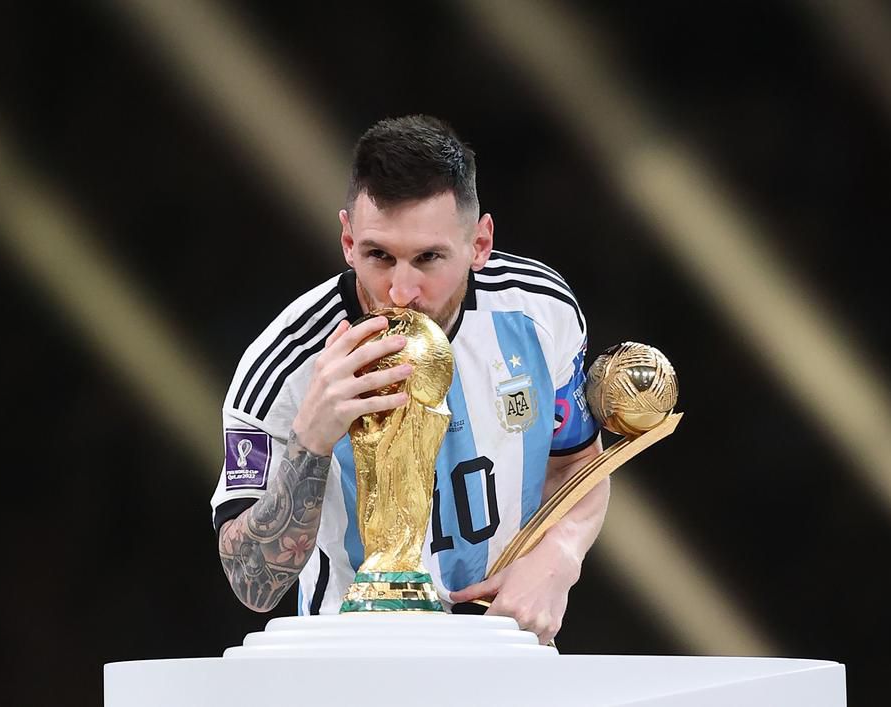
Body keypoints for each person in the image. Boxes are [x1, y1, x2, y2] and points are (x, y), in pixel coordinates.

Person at [211, 115, 608, 645]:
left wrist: (561, 554)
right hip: (349, 666)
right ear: (348, 240)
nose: (401, 291)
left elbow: (580, 463)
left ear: (480, 243)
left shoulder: (540, 313)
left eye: (428, 258)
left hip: (505, 649)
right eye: (379, 256)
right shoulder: (284, 366)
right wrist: (311, 440)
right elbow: (251, 584)